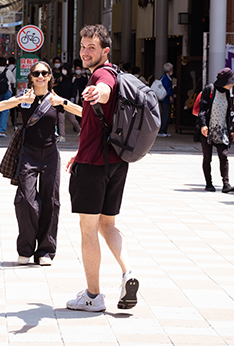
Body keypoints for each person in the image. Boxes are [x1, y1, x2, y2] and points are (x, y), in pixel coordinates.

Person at [66, 24, 138, 313]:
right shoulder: (116, 73)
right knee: (108, 225)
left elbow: (104, 90)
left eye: (91, 47)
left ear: (105, 51)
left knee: (88, 229)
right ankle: (128, 272)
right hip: (116, 162)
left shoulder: (102, 74)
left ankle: (93, 296)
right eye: (83, 47)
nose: (85, 52)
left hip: (95, 166)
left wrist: (99, 92)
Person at [0, 62, 81, 266]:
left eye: (44, 73)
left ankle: (45, 251)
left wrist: (64, 102)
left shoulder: (56, 99)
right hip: (28, 154)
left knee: (51, 200)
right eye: (36, 73)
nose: (40, 76)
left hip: (50, 153)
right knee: (26, 200)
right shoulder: (25, 97)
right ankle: (25, 249)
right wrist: (20, 100)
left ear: (50, 76)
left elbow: (84, 113)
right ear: (31, 77)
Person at [195, 68, 234, 193]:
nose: (232, 84)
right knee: (207, 157)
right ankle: (209, 183)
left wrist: (230, 129)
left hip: (222, 129)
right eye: (231, 82)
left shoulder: (226, 93)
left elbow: (227, 113)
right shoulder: (209, 89)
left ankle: (226, 183)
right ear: (225, 81)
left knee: (224, 156)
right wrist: (203, 125)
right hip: (208, 129)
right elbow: (202, 110)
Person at [0, 57, 16, 137]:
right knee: (5, 111)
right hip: (6, 92)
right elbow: (13, 83)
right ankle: (1, 131)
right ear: (6, 63)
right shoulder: (8, 71)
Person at [158, 63, 175, 137]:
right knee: (165, 114)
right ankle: (162, 130)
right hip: (165, 99)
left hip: (166, 99)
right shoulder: (166, 78)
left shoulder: (165, 77)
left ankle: (164, 130)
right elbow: (167, 88)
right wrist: (171, 96)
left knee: (166, 114)